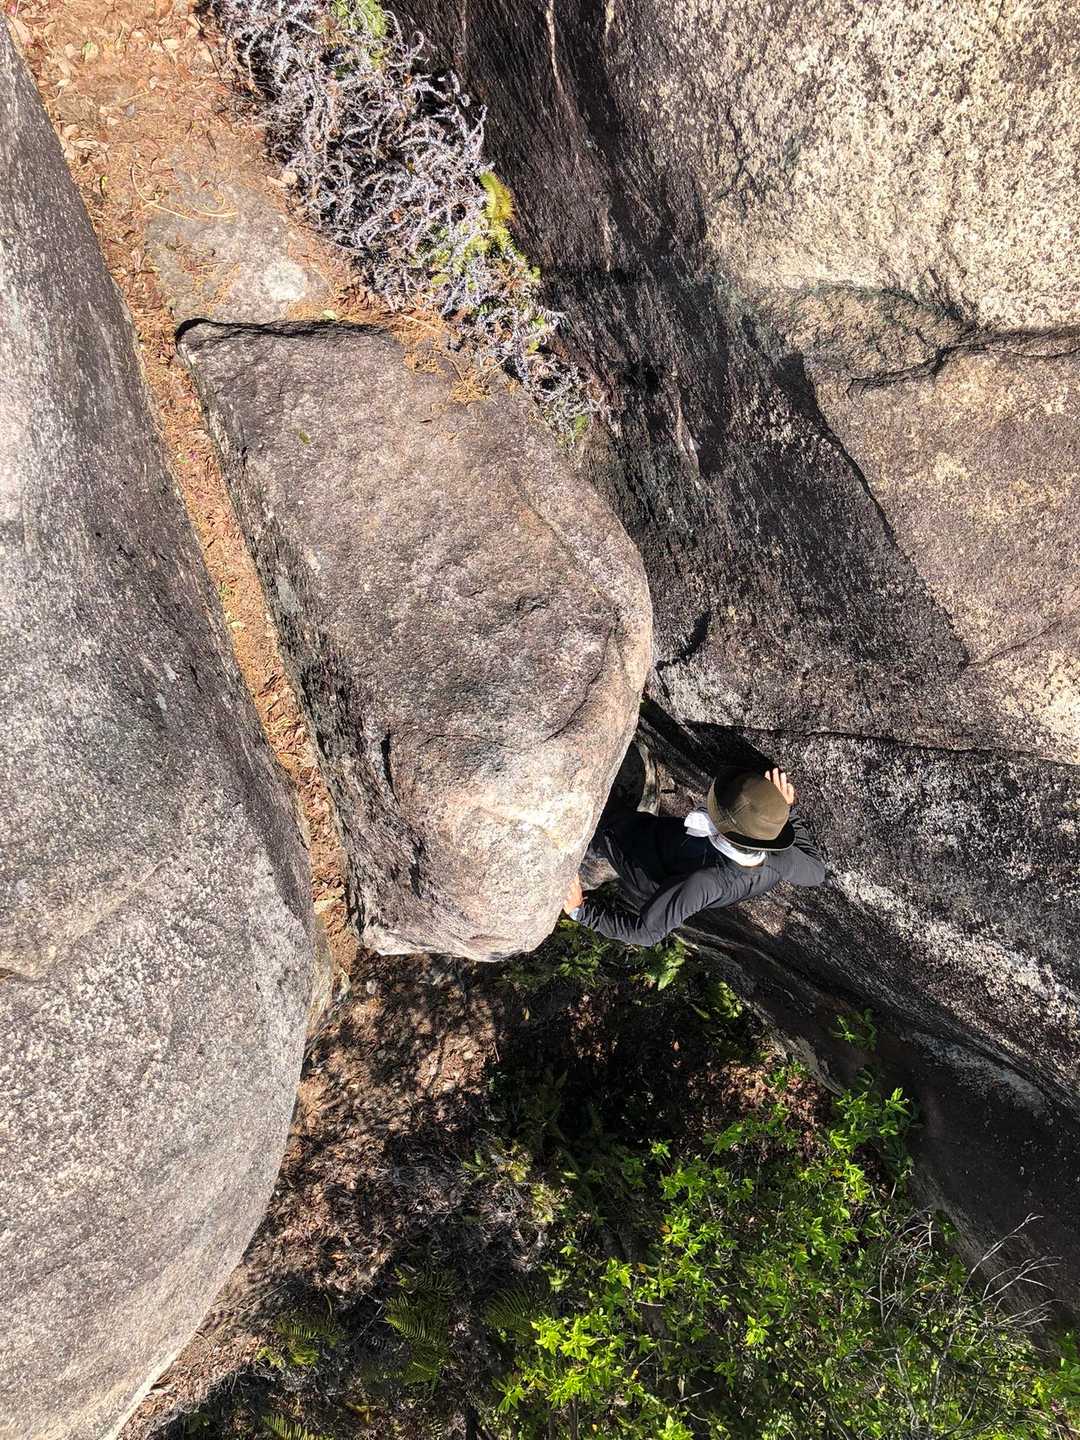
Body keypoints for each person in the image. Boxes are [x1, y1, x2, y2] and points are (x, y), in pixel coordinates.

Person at [563, 766, 826, 946]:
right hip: (669, 846)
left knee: (605, 829)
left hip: (641, 862)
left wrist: (581, 912)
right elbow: (817, 872)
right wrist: (778, 812)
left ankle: (593, 843)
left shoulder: (706, 882)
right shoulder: (781, 858)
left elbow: (646, 933)